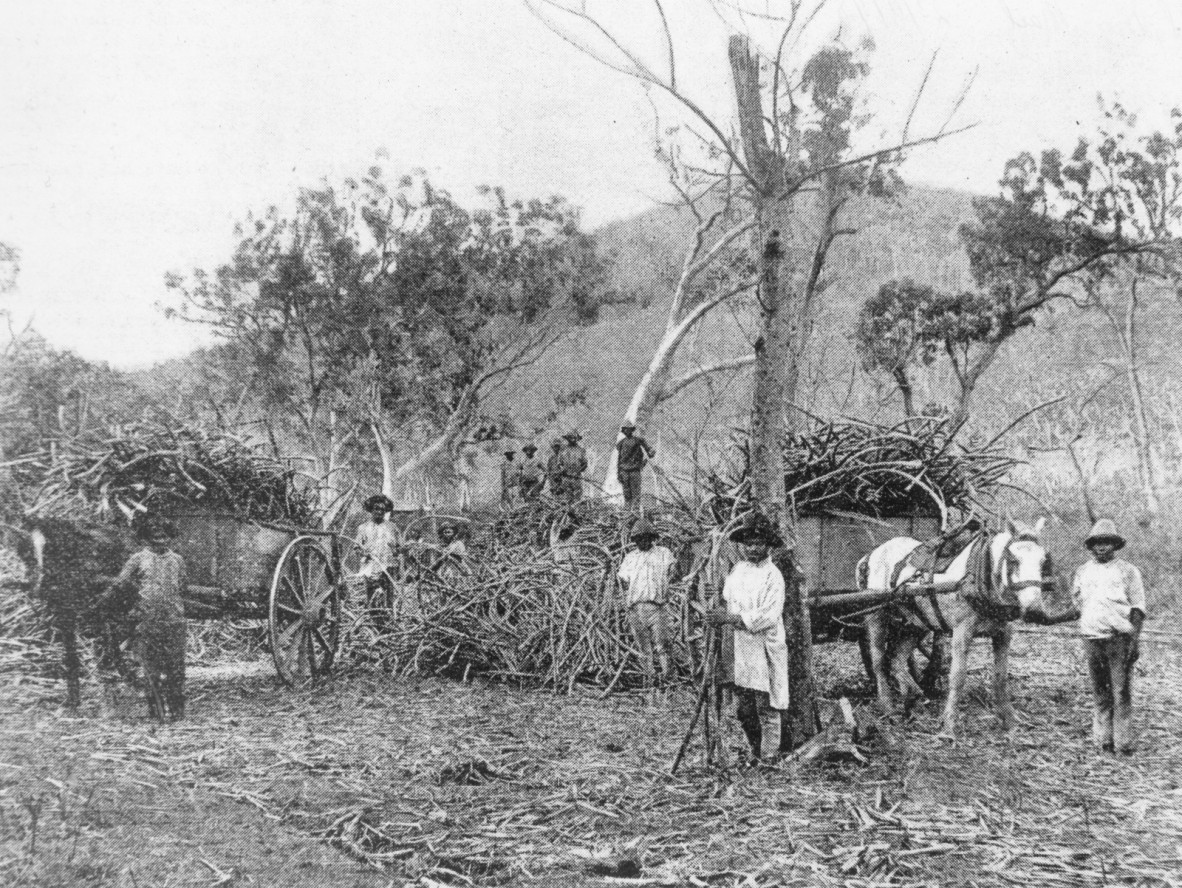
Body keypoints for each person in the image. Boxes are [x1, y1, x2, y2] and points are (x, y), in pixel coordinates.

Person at [706, 511, 789, 765]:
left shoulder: (773, 576)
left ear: (768, 545)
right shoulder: (739, 569)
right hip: (741, 646)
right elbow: (728, 599)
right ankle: (755, 749)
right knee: (744, 707)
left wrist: (730, 619)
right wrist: (715, 593)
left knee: (767, 705)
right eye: (749, 544)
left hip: (763, 646)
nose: (753, 549)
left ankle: (769, 758)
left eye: (759, 544)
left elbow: (768, 616)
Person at [1072, 519, 1146, 755]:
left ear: (1115, 545)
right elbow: (1077, 607)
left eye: (1107, 543)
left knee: (1120, 692)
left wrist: (1133, 641)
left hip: (1118, 640)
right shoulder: (1082, 571)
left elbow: (1137, 609)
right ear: (1091, 546)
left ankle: (1123, 744)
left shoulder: (1128, 571)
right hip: (1091, 638)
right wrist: (1047, 618)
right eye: (1098, 543)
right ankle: (1104, 742)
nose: (1102, 547)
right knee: (1100, 692)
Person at [110, 517, 188, 721]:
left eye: (164, 537)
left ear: (170, 538)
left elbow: (182, 586)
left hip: (174, 621)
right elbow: (121, 584)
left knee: (176, 669)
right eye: (155, 538)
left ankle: (177, 712)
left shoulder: (177, 560)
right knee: (151, 670)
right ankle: (157, 712)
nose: (160, 541)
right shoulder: (137, 559)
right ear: (147, 539)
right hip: (148, 622)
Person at [617, 518, 676, 687]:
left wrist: (670, 576)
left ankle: (668, 681)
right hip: (636, 609)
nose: (643, 541)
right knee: (644, 648)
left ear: (652, 538)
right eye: (639, 539)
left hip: (657, 608)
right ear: (635, 541)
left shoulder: (663, 553)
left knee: (663, 645)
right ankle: (649, 681)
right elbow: (622, 580)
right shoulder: (630, 558)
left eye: (646, 538)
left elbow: (673, 571)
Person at [615, 421, 656, 511]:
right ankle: (627, 513)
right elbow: (619, 459)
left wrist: (650, 453)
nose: (626, 431)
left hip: (635, 471)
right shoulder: (621, 443)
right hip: (624, 472)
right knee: (626, 494)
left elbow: (650, 450)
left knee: (636, 495)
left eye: (628, 429)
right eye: (624, 429)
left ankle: (635, 513)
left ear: (631, 430)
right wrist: (618, 474)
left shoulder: (638, 440)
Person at [558, 431, 588, 503]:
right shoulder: (563, 449)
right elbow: (559, 463)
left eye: (574, 437)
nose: (572, 439)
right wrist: (562, 469)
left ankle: (576, 512)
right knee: (566, 498)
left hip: (576, 478)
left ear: (577, 439)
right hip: (565, 477)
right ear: (567, 438)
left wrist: (577, 471)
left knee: (577, 498)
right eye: (570, 437)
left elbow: (585, 464)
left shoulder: (581, 450)